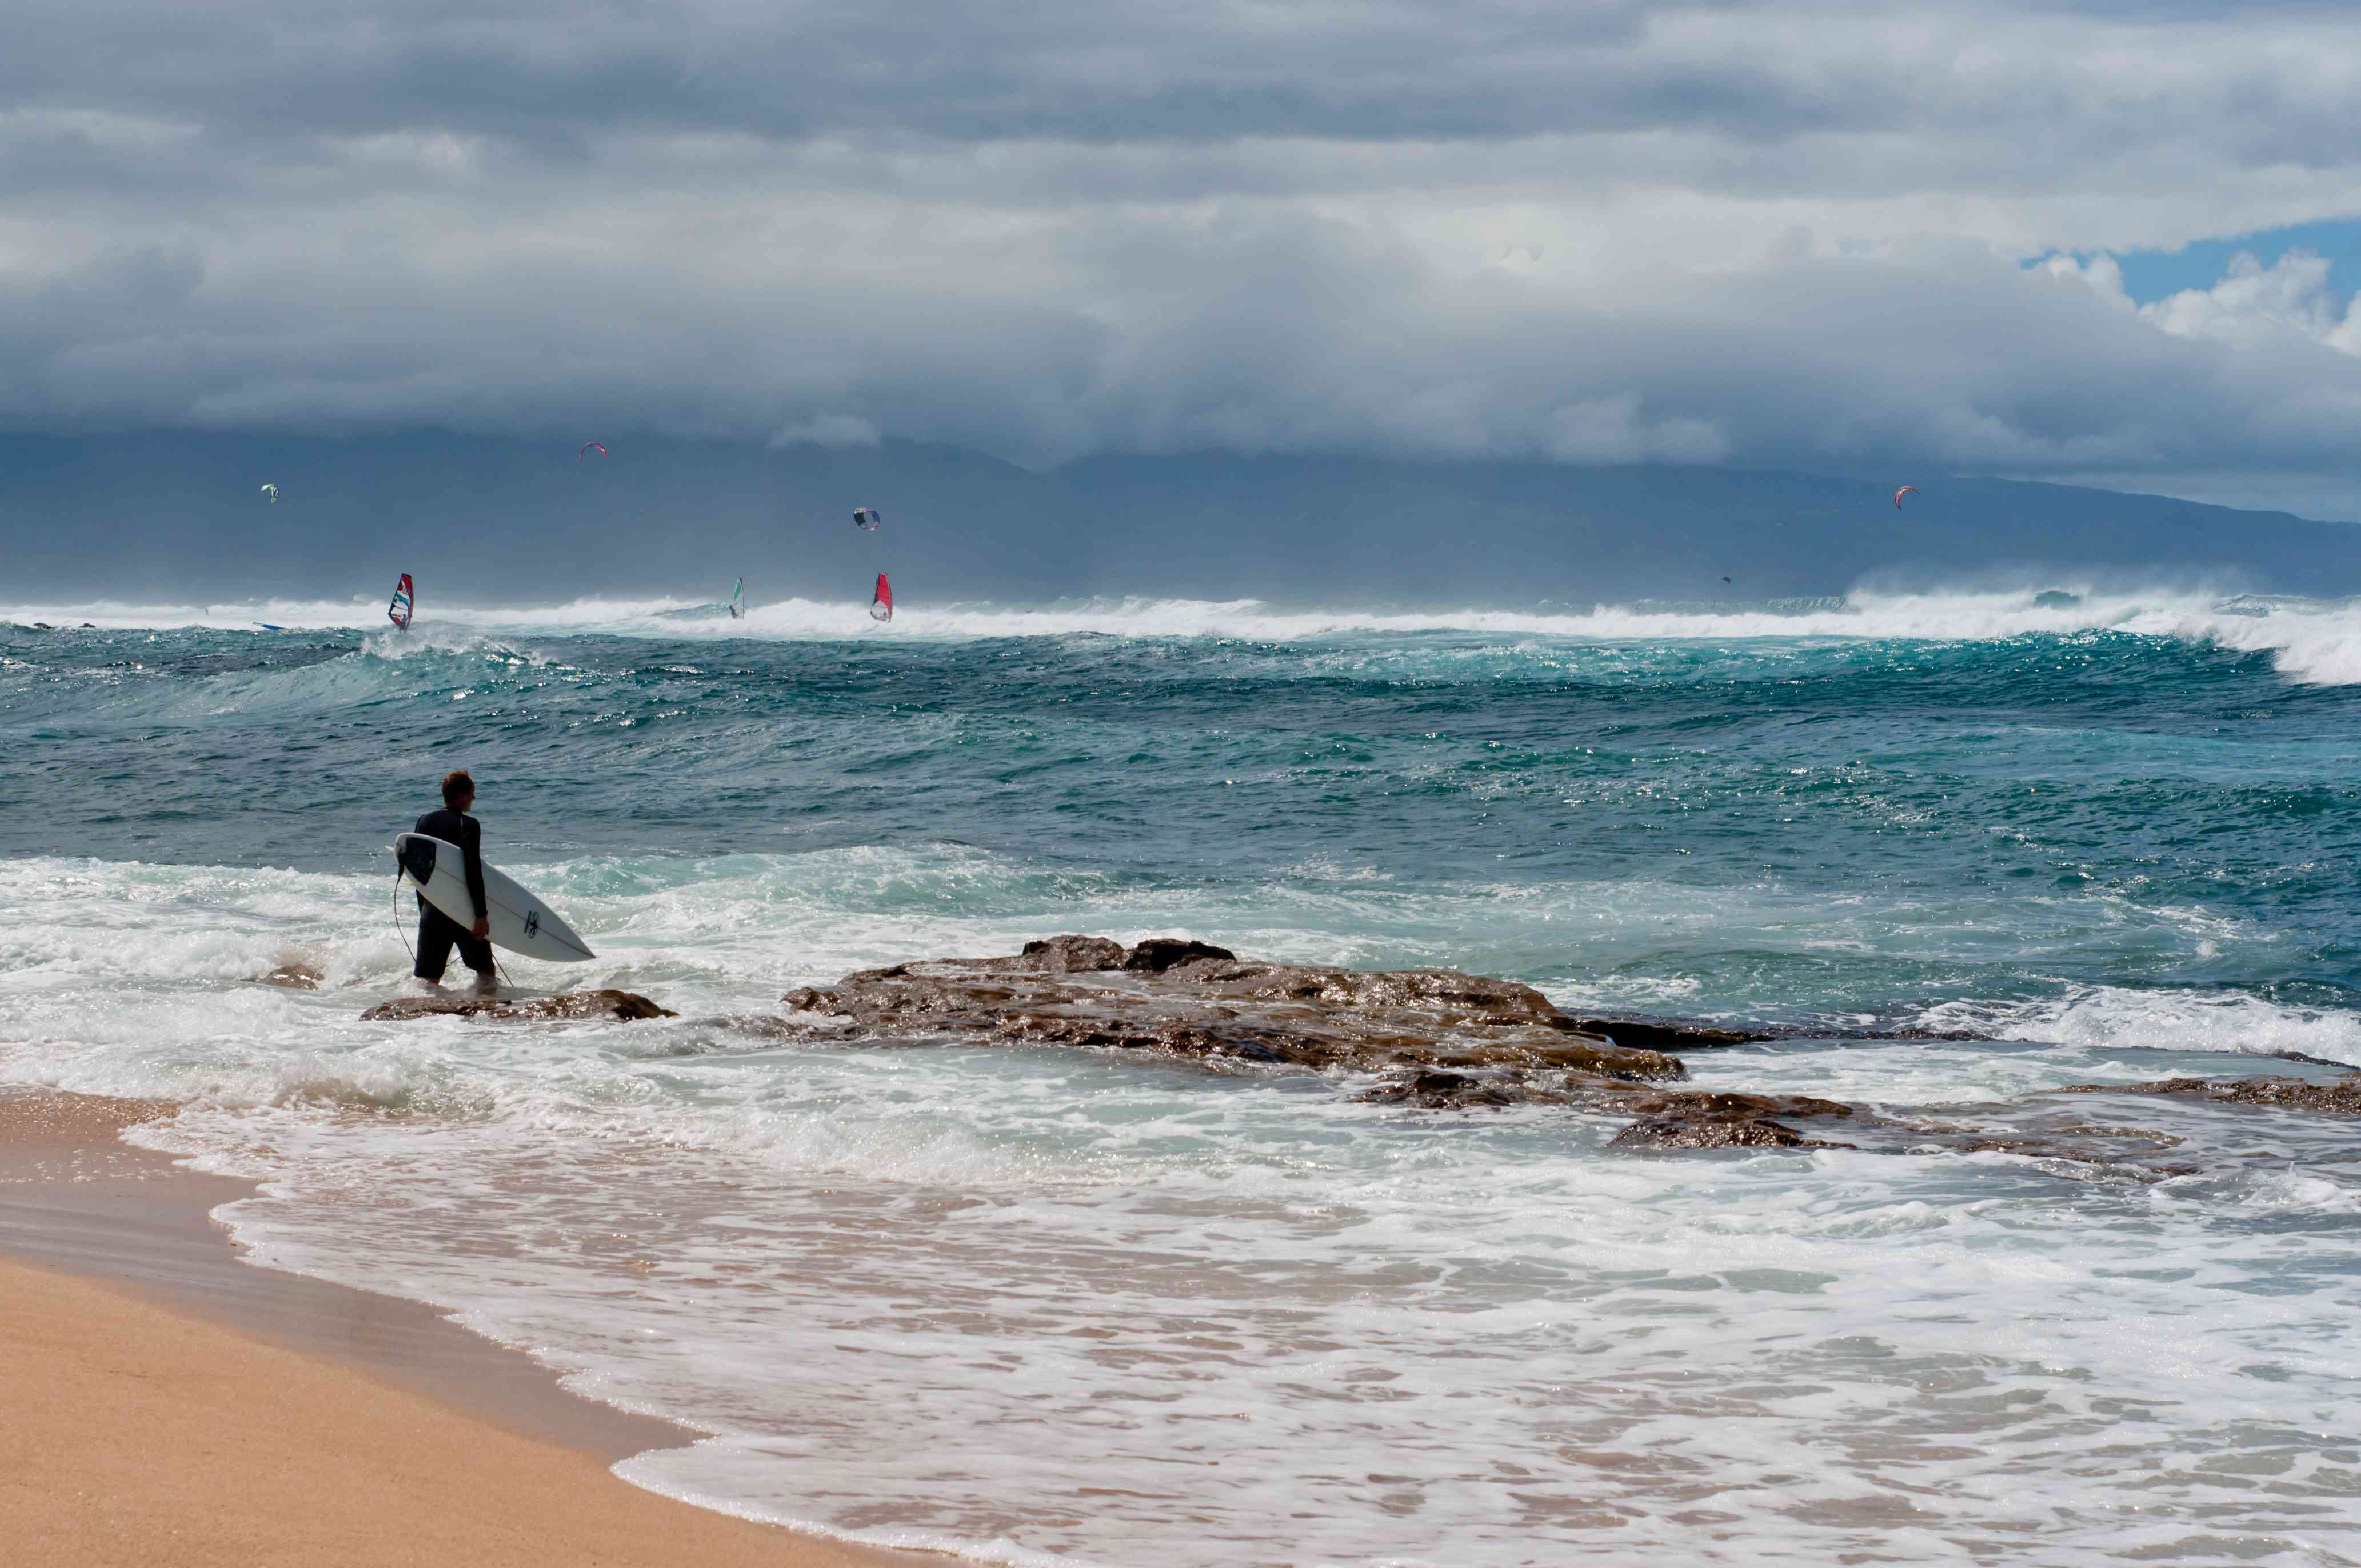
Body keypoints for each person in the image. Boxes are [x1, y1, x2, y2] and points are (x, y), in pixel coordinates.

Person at [413, 770, 496, 993]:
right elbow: (472, 871)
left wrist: (424, 909)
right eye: (472, 793)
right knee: (486, 974)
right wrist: (481, 915)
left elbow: (419, 871)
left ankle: (425, 1023)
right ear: (461, 795)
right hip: (463, 912)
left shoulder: (424, 820)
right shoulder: (469, 824)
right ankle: (488, 1017)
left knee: (428, 981)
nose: (474, 798)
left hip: (434, 908)